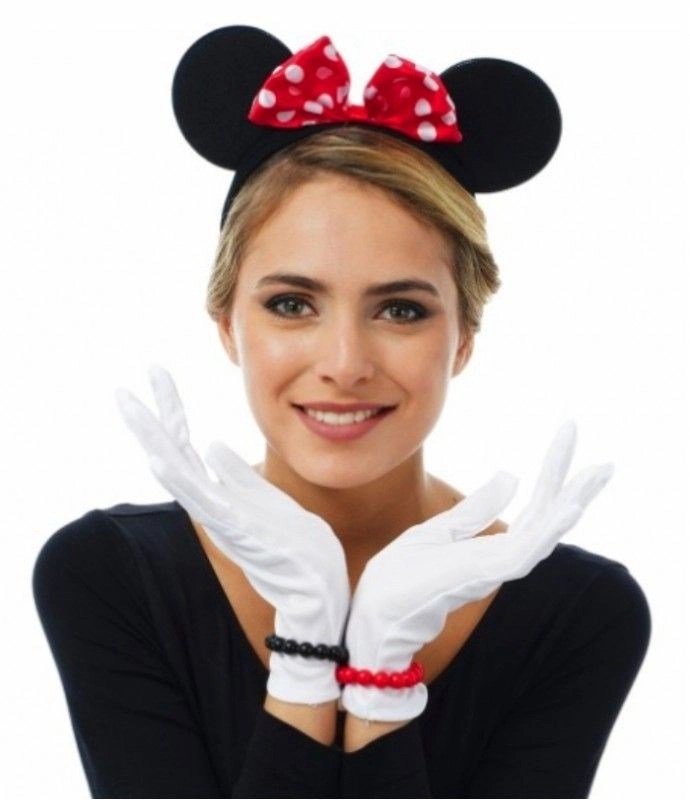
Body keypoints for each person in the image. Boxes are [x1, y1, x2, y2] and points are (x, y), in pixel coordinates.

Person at [32, 25, 651, 799]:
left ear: (464, 338)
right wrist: (306, 657)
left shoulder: (581, 614)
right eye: (293, 304)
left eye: (401, 309)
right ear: (227, 323)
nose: (345, 363)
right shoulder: (107, 575)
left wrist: (382, 672)